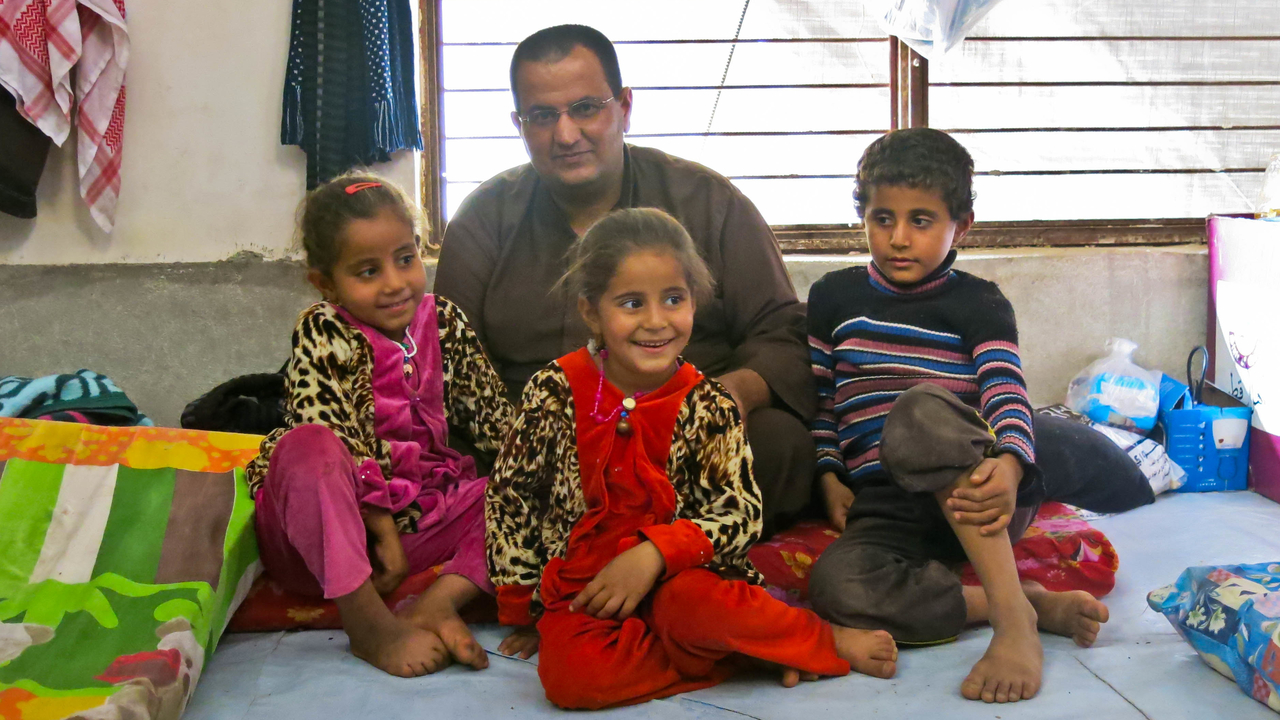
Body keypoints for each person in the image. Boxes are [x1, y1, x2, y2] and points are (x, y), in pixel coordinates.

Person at [484, 207, 898, 710]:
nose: (656, 322)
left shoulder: (709, 404)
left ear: (694, 302)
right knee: (571, 682)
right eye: (631, 303)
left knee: (700, 611)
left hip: (686, 581)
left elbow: (740, 513)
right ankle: (746, 655)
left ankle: (817, 639)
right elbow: (512, 497)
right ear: (591, 311)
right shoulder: (554, 392)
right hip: (588, 585)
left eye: (674, 300)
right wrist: (524, 606)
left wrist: (656, 554)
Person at [438, 24, 814, 535]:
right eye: (543, 116)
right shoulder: (485, 219)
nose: (566, 134)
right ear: (518, 124)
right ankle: (656, 545)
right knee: (446, 465)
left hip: (682, 441)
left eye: (586, 108)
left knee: (778, 444)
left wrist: (731, 398)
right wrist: (523, 441)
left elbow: (782, 331)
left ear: (625, 106)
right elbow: (449, 362)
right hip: (539, 453)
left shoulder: (705, 200)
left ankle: (636, 548)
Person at [804, 129, 1111, 704]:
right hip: (887, 506)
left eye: (921, 221)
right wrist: (828, 474)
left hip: (980, 493)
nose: (898, 239)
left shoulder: (978, 301)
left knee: (917, 412)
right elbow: (824, 402)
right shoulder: (832, 298)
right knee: (835, 586)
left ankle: (1012, 629)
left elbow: (1006, 393)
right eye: (881, 218)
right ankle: (1024, 601)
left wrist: (1014, 465)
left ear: (961, 226)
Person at [243, 173, 514, 677]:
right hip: (320, 537)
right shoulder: (324, 328)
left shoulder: (445, 322)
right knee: (309, 446)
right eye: (367, 271)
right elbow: (329, 429)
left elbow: (496, 421)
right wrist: (380, 525)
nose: (394, 283)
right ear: (326, 283)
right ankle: (366, 623)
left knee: (514, 492)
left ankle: (438, 603)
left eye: (405, 259)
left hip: (419, 525)